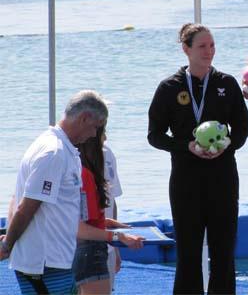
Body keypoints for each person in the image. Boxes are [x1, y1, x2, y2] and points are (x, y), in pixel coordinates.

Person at [148, 23, 248, 294]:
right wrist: (186, 146)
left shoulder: (226, 84)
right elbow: (155, 135)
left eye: (212, 45)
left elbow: (243, 126)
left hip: (223, 178)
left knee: (224, 253)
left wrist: (227, 145)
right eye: (202, 46)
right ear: (186, 49)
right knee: (189, 254)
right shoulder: (170, 87)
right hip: (186, 180)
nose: (209, 51)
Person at [0, 90, 108, 294]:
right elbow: (26, 205)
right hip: (44, 263)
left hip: (58, 259)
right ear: (84, 118)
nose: (94, 134)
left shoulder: (64, 149)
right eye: (95, 127)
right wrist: (8, 244)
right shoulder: (54, 152)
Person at [73, 126, 144, 295]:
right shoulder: (82, 174)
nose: (105, 137)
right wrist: (116, 236)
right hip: (86, 249)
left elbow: (105, 205)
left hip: (99, 246)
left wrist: (113, 236)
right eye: (102, 131)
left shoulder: (105, 157)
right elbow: (78, 226)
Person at [102, 134, 124, 291]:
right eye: (101, 129)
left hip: (107, 244)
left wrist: (115, 247)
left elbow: (112, 200)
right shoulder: (73, 157)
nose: (106, 136)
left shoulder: (107, 153)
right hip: (81, 246)